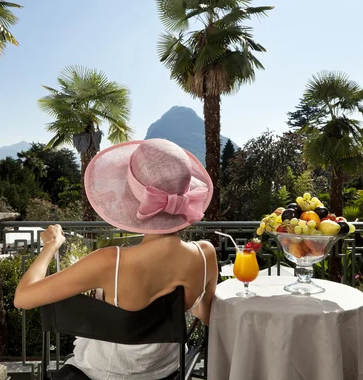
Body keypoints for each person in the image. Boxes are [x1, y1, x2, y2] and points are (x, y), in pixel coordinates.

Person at [14, 138, 218, 380]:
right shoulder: (206, 254)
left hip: (101, 374)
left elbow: (23, 298)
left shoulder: (110, 261)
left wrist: (51, 246)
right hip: (167, 372)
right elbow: (205, 316)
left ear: (133, 195)